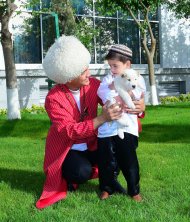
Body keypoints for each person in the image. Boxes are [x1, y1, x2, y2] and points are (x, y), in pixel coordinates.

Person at [36, 35, 145, 209]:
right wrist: (102, 118)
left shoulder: (93, 84)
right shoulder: (53, 98)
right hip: (68, 149)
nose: (90, 73)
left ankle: (110, 182)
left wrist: (139, 106)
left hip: (92, 143)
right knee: (81, 172)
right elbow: (69, 131)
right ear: (68, 77)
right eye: (83, 71)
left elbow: (115, 97)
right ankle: (70, 177)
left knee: (120, 146)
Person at [97, 44, 146, 202]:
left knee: (129, 160)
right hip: (107, 129)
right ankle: (107, 188)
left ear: (127, 64)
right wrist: (113, 90)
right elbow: (102, 92)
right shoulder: (108, 79)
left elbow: (138, 94)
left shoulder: (136, 78)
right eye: (110, 65)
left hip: (127, 128)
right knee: (107, 161)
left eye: (115, 66)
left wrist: (126, 93)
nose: (112, 69)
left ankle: (134, 190)